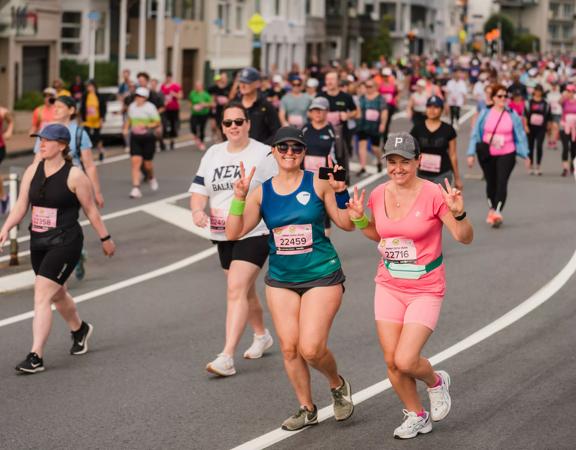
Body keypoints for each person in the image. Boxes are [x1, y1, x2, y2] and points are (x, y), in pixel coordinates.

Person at [226, 126, 355, 431]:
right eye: (282, 148)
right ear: (273, 151)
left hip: (322, 274)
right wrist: (239, 198)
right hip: (282, 278)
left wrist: (341, 192)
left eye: (296, 149)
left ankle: (337, 385)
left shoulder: (319, 183)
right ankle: (307, 408)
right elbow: (233, 233)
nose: (289, 153)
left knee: (310, 348)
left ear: (303, 153)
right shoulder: (262, 191)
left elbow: (346, 224)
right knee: (289, 348)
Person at [346, 132, 473, 439]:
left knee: (406, 359)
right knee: (392, 361)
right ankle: (417, 415)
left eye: (405, 161)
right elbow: (381, 235)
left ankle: (436, 382)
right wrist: (361, 220)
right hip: (389, 284)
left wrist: (459, 212)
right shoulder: (377, 194)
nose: (398, 168)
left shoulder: (433, 194)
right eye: (392, 162)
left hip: (425, 286)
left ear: (418, 161)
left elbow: (463, 236)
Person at [0, 124, 115, 374]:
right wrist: (7, 227)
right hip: (39, 241)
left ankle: (35, 356)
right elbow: (21, 205)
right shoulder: (33, 170)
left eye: (46, 140)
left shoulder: (75, 176)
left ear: (62, 145)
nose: (41, 144)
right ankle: (80, 329)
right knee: (57, 293)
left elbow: (91, 210)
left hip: (66, 242)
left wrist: (105, 238)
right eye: (39, 139)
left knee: (42, 294)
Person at [190, 102, 276, 377]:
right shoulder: (213, 153)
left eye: (239, 121)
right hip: (222, 231)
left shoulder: (263, 153)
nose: (234, 127)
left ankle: (226, 356)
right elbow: (200, 188)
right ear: (222, 127)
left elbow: (279, 189)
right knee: (243, 290)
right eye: (228, 123)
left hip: (255, 229)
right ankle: (262, 335)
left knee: (236, 288)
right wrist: (196, 209)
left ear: (248, 124)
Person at [467, 84, 529, 227]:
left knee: (502, 181)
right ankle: (492, 208)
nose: (503, 99)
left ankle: (497, 212)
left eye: (505, 96)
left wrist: (526, 154)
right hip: (487, 154)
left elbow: (520, 136)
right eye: (500, 96)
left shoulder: (512, 114)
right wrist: (470, 154)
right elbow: (476, 134)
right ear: (493, 98)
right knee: (491, 182)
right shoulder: (485, 113)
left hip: (507, 152)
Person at [410, 95, 462, 189]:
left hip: (443, 173)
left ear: (442, 110)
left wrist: (457, 178)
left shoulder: (448, 129)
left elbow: (453, 155)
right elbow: (411, 152)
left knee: (440, 201)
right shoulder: (417, 128)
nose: (432, 110)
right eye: (429, 106)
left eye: (436, 107)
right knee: (424, 202)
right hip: (422, 174)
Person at [318, 71, 359, 182]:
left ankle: (344, 180)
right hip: (323, 131)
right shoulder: (320, 96)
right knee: (324, 155)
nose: (329, 82)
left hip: (341, 132)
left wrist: (348, 115)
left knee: (341, 156)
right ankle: (324, 178)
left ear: (337, 81)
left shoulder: (345, 97)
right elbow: (310, 112)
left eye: (332, 79)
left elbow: (357, 112)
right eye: (327, 79)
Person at [123, 87, 161, 199]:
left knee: (147, 164)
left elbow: (157, 122)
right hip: (135, 138)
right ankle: (136, 188)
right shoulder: (132, 107)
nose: (138, 98)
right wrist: (125, 128)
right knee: (135, 162)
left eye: (141, 96)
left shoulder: (150, 108)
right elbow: (128, 120)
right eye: (137, 96)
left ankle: (151, 177)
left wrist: (146, 126)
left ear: (145, 98)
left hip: (148, 137)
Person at [236, 67, 281, 145]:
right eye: (241, 82)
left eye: (247, 82)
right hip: (237, 151)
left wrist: (261, 148)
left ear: (257, 84)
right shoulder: (234, 105)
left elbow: (276, 132)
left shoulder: (266, 106)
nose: (242, 85)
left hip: (261, 153)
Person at [356, 79, 388, 175]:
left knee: (375, 148)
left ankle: (379, 161)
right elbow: (358, 110)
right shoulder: (362, 98)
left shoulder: (380, 98)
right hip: (362, 125)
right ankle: (363, 167)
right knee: (362, 146)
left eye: (370, 86)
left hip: (375, 126)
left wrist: (383, 124)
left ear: (375, 87)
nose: (368, 88)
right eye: (366, 86)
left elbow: (384, 112)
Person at [525, 85, 550, 175]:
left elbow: (548, 116)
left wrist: (548, 128)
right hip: (531, 127)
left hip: (541, 128)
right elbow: (525, 115)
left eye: (540, 91)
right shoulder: (529, 102)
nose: (538, 92)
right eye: (537, 90)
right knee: (530, 146)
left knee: (539, 145)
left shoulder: (545, 103)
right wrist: (526, 126)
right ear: (534, 91)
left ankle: (538, 166)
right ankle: (530, 165)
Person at [80, 80, 107, 161]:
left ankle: (101, 151)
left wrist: (102, 119)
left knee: (97, 137)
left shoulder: (99, 96)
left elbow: (103, 108)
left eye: (90, 86)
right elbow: (82, 108)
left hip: (96, 120)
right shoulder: (85, 96)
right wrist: (81, 119)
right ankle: (86, 154)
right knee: (86, 136)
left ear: (94, 86)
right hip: (87, 121)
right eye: (88, 86)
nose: (89, 88)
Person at [160, 72, 182, 150]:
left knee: (173, 124)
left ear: (171, 78)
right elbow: (161, 96)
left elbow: (180, 96)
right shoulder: (163, 86)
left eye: (169, 77)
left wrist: (174, 94)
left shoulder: (175, 86)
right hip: (165, 109)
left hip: (174, 108)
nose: (168, 79)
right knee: (165, 124)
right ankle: (165, 140)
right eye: (166, 77)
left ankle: (172, 141)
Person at [188, 81, 213, 151]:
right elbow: (190, 101)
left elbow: (212, 104)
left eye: (198, 86)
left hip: (203, 114)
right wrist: (192, 107)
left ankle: (201, 142)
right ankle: (196, 136)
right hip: (194, 114)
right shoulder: (192, 93)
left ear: (201, 87)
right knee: (193, 127)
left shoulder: (205, 94)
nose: (197, 87)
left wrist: (204, 105)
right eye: (196, 86)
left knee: (202, 128)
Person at [208, 73, 231, 143]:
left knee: (222, 125)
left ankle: (221, 139)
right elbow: (208, 96)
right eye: (222, 78)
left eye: (225, 78)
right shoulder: (214, 88)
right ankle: (216, 136)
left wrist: (227, 100)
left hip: (225, 109)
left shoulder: (229, 88)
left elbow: (231, 97)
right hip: (215, 109)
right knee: (214, 126)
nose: (223, 79)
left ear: (227, 79)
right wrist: (213, 100)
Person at [560, 84, 576, 177]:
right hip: (564, 126)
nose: (570, 93)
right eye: (568, 91)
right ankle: (565, 168)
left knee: (574, 149)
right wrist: (564, 95)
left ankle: (572, 166)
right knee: (565, 147)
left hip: (574, 128)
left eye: (572, 92)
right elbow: (559, 102)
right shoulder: (564, 101)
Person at [0, 105, 14, 214]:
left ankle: (4, 198)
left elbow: (10, 121)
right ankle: (4, 198)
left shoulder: (2, 111)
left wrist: (9, 131)